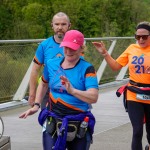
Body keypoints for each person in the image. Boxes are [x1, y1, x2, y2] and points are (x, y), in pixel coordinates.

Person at [19, 30, 99, 150]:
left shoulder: (88, 68)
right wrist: (36, 105)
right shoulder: (51, 64)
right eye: (65, 47)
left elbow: (93, 97)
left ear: (81, 48)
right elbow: (44, 84)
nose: (68, 51)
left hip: (78, 121)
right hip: (53, 118)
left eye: (72, 48)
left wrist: (73, 91)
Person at [92, 21, 150, 150]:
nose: (140, 39)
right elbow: (115, 67)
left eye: (144, 37)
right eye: (137, 37)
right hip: (134, 94)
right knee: (137, 131)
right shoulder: (131, 49)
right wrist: (105, 53)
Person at [28, 12, 71, 109]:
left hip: (70, 89)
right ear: (52, 25)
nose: (60, 27)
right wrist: (32, 94)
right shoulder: (44, 45)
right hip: (47, 89)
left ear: (69, 25)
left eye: (63, 24)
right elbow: (35, 70)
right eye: (57, 24)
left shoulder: (75, 45)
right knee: (47, 120)